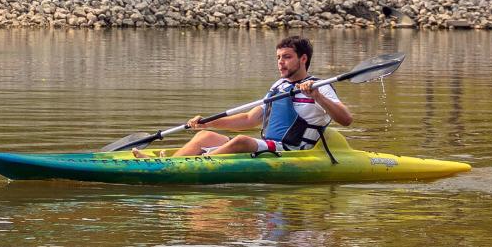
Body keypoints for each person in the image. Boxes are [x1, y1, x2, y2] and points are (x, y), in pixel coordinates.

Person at [133, 36, 352, 158]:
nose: (280, 62)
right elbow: (249, 119)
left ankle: (188, 165)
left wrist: (317, 97)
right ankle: (169, 163)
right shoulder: (279, 86)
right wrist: (206, 123)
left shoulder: (321, 86)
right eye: (278, 57)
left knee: (242, 141)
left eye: (287, 57)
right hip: (269, 145)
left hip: (293, 152)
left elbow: (346, 119)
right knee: (205, 136)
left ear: (303, 59)